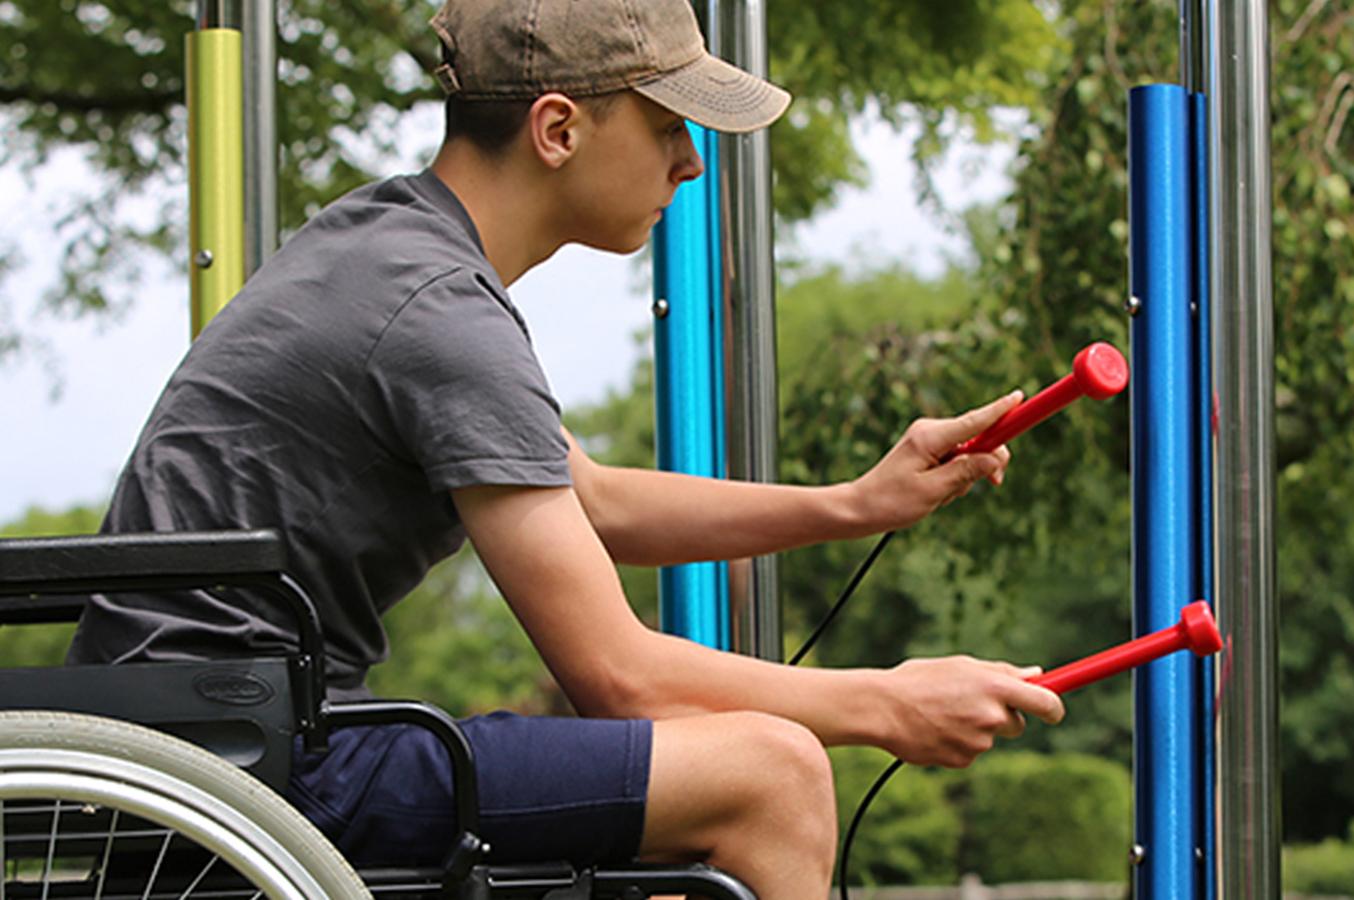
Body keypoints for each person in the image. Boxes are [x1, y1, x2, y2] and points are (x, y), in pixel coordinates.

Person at [66, 0, 1065, 897]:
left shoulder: (393, 246)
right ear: (557, 128)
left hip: (215, 734)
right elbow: (622, 680)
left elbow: (590, 499)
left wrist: (857, 501)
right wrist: (885, 703)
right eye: (670, 126)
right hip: (241, 763)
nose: (692, 161)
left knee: (707, 780)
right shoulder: (438, 311)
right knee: (774, 774)